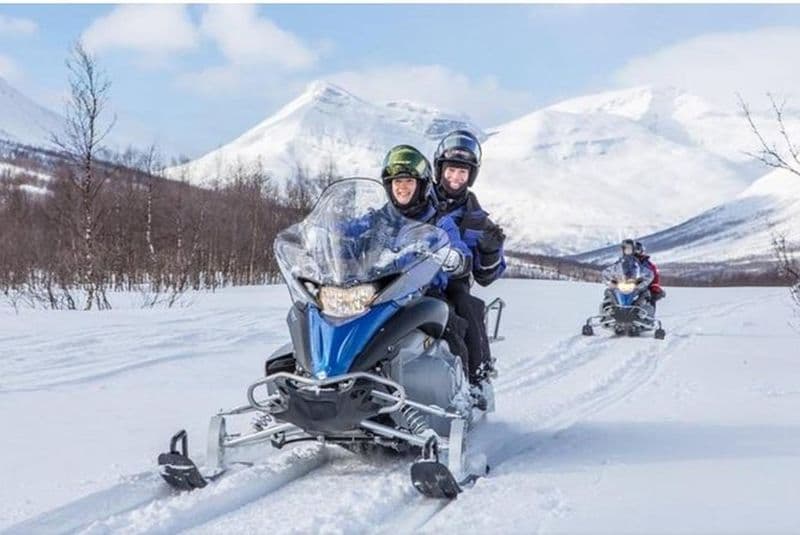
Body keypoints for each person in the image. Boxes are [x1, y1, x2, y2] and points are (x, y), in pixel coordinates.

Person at [378, 144, 474, 370]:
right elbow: (351, 229)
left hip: (424, 293)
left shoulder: (439, 220)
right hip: (379, 291)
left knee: (451, 324)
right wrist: (325, 236)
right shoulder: (379, 218)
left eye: (408, 181)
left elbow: (459, 248)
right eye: (397, 182)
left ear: (421, 185)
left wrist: (454, 257)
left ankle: (464, 386)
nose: (402, 187)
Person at [432, 130, 505, 386]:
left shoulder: (478, 220)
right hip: (405, 275)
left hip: (452, 283)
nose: (455, 177)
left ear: (471, 176)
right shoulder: (419, 198)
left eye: (462, 172)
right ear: (440, 169)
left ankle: (475, 376)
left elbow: (486, 277)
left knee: (466, 306)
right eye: (451, 170)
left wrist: (489, 250)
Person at [634, 241, 666, 310]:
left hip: (643, 285)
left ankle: (648, 316)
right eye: (633, 250)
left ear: (642, 250)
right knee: (612, 290)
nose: (635, 252)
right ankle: (608, 313)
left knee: (650, 293)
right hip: (627, 284)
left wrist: (654, 285)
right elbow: (618, 270)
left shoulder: (649, 265)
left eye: (637, 249)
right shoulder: (625, 262)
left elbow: (655, 275)